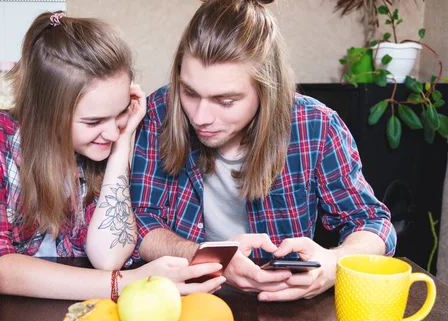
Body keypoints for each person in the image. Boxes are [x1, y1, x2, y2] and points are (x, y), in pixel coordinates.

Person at [130, 0, 397, 302]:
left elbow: (373, 222)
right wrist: (211, 258)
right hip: (186, 300)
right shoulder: (159, 112)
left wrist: (335, 263)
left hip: (283, 310)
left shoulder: (317, 126)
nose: (200, 117)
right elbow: (142, 220)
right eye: (189, 92)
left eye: (226, 101)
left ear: (266, 89)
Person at [0, 11, 225, 300]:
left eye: (121, 112)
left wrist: (123, 145)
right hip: (11, 320)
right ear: (46, 113)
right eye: (93, 122)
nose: (110, 133)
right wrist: (127, 283)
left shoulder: (105, 147)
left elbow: (109, 258)